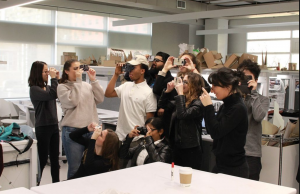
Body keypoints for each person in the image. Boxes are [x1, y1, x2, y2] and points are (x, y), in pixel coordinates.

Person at [105, 55, 157, 168]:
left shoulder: (148, 93)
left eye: (133, 68)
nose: (130, 71)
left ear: (142, 70)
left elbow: (149, 121)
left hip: (136, 140)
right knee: (116, 169)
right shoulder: (126, 86)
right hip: (119, 137)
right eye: (129, 68)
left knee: (131, 173)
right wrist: (116, 75)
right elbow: (108, 93)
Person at [57, 59, 105, 179]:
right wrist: (78, 81)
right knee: (75, 168)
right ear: (66, 71)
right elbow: (73, 101)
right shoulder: (62, 87)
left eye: (80, 68)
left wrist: (93, 80)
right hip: (73, 131)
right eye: (75, 68)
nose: (78, 71)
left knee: (89, 166)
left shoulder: (87, 85)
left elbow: (100, 99)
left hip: (90, 130)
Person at [200, 67, 249, 178]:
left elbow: (216, 132)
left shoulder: (238, 108)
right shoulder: (226, 105)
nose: (212, 90)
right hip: (221, 165)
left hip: (234, 169)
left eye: (215, 86)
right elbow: (211, 129)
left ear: (229, 86)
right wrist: (206, 107)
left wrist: (208, 106)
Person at [158, 68, 204, 170]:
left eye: (186, 82)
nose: (182, 84)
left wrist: (180, 95)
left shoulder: (198, 103)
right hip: (176, 146)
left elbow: (182, 114)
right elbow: (162, 106)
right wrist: (167, 91)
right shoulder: (183, 100)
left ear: (195, 86)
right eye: (182, 81)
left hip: (190, 149)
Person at [154, 53, 210, 137]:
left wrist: (193, 69)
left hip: (188, 133)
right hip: (171, 128)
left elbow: (205, 88)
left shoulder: (195, 87)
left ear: (193, 64)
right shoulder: (175, 81)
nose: (182, 64)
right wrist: (165, 69)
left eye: (185, 61)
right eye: (180, 61)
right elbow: (156, 89)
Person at [28, 61, 60, 183]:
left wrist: (56, 78)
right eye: (45, 71)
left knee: (55, 159)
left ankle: (56, 184)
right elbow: (52, 94)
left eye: (48, 71)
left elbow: (55, 92)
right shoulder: (34, 89)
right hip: (43, 127)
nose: (47, 73)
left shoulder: (47, 87)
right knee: (41, 159)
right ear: (37, 73)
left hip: (53, 126)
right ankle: (37, 183)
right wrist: (54, 79)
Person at [237, 59, 269, 181]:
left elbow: (258, 116)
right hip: (234, 152)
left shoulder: (263, 99)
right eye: (242, 77)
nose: (245, 80)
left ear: (256, 80)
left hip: (251, 154)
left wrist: (253, 93)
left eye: (248, 77)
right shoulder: (235, 98)